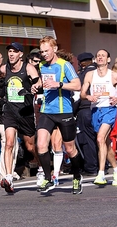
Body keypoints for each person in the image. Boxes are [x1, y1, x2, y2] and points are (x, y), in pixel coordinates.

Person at [35, 36, 83, 194]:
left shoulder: (64, 65)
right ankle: (48, 179)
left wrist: (59, 84)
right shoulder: (42, 65)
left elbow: (77, 85)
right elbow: (44, 83)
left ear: (54, 49)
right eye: (42, 52)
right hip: (47, 111)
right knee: (41, 145)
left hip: (64, 112)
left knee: (70, 149)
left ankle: (77, 176)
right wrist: (37, 86)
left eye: (46, 51)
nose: (44, 54)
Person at [0, 42, 42, 193]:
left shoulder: (28, 68)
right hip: (10, 111)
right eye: (9, 51)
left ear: (20, 54)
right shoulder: (5, 68)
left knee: (30, 146)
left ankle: (42, 167)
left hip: (25, 111)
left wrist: (35, 86)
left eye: (14, 52)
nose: (11, 54)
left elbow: (38, 81)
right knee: (9, 143)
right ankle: (9, 176)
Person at [80, 49, 117, 186]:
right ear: (95, 59)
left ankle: (101, 174)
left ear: (108, 60)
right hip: (95, 110)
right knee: (104, 143)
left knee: (100, 138)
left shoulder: (114, 75)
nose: (100, 57)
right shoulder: (90, 75)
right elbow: (82, 93)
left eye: (103, 56)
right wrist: (88, 96)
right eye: (98, 56)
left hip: (109, 110)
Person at [74, 52, 99, 176]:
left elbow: (78, 95)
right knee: (100, 138)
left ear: (81, 63)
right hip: (101, 108)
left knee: (87, 139)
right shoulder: (101, 72)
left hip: (85, 109)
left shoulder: (83, 75)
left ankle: (91, 167)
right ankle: (102, 165)